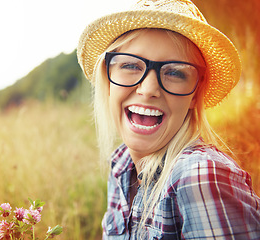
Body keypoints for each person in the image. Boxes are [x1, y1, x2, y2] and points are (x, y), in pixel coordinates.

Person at [77, 0, 260, 239]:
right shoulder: (122, 164)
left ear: (196, 94)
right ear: (108, 78)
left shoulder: (199, 175)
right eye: (131, 65)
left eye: (174, 72)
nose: (149, 89)